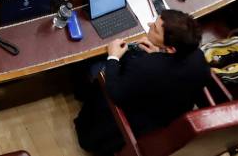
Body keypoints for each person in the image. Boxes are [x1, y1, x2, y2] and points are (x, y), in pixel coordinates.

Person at [73, 10, 213, 155]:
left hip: (136, 124)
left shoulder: (145, 67)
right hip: (169, 113)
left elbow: (116, 93)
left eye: (155, 29)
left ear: (171, 49)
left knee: (95, 69)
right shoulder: (198, 58)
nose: (149, 25)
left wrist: (113, 57)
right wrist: (157, 54)